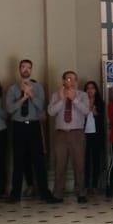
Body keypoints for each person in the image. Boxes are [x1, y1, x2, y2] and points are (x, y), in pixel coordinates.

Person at [5, 59, 53, 202]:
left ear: (31, 70)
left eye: (28, 67)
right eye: (23, 67)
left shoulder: (38, 87)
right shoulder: (13, 89)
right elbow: (9, 109)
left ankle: (45, 193)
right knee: (18, 160)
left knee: (39, 160)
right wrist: (22, 98)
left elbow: (41, 106)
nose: (26, 69)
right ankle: (15, 194)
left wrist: (31, 95)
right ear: (19, 69)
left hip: (33, 125)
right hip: (18, 126)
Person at [47, 70, 90, 203]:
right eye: (67, 78)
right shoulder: (56, 95)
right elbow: (51, 112)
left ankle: (81, 193)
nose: (70, 81)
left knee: (79, 164)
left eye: (72, 79)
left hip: (77, 133)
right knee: (59, 164)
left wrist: (74, 99)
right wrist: (62, 99)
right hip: (60, 134)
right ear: (63, 81)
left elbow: (86, 111)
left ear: (76, 81)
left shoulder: (82, 95)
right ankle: (58, 194)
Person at [83, 81, 105, 200]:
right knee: (86, 161)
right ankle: (86, 186)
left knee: (96, 160)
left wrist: (93, 109)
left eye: (92, 88)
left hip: (97, 135)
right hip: (85, 134)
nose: (90, 90)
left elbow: (101, 117)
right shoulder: (82, 101)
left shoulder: (100, 103)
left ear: (96, 90)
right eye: (88, 88)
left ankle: (95, 185)